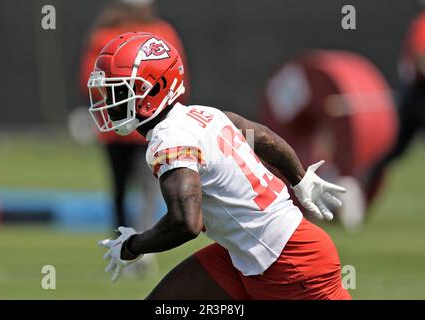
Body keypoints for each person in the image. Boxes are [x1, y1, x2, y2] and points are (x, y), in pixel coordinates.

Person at [92, 32, 350, 300]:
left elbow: (186, 223)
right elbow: (261, 137)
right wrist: (300, 179)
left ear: (154, 89)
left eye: (119, 90)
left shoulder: (170, 140)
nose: (110, 102)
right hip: (249, 252)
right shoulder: (206, 116)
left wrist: (133, 246)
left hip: (290, 262)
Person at [79, 0, 190, 231]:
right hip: (146, 124)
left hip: (125, 124)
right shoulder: (160, 31)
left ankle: (127, 238)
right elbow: (179, 80)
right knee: (148, 187)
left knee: (125, 188)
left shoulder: (104, 34)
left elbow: (90, 83)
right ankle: (140, 237)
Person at [363, 9, 425, 198]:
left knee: (392, 149)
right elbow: (420, 60)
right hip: (418, 96)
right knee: (391, 149)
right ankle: (356, 187)